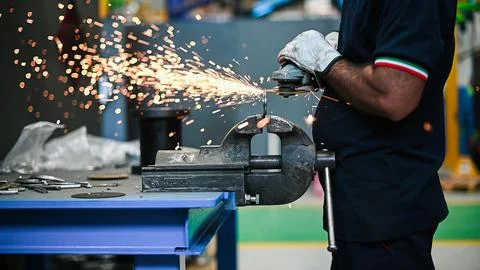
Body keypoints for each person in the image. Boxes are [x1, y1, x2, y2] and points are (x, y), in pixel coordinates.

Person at [278, 0, 457, 269]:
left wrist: (327, 62)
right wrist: (346, 55)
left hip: (386, 213)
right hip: (362, 207)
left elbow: (394, 96)